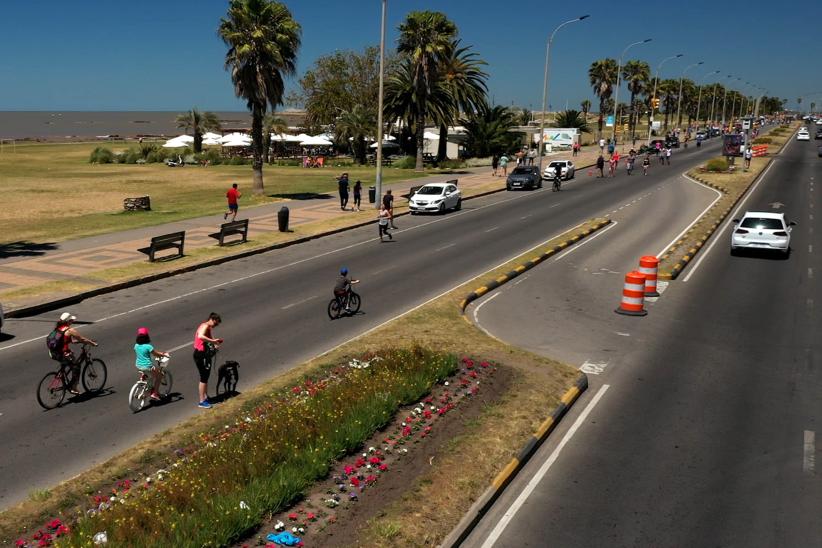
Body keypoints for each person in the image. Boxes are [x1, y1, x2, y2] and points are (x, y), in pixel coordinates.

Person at [53, 312, 98, 395]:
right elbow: (82, 339)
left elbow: (71, 341)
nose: (72, 322)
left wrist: (79, 342)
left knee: (69, 360)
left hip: (53, 353)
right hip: (63, 354)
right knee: (76, 366)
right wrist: (92, 343)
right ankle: (73, 387)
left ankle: (63, 375)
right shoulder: (70, 330)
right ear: (68, 321)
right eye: (71, 320)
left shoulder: (58, 328)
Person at [192, 313, 223, 409]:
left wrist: (215, 342)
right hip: (201, 354)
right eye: (216, 323)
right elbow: (201, 336)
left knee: (206, 376)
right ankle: (202, 401)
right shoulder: (205, 326)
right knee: (204, 377)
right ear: (212, 319)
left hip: (203, 354)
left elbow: (209, 337)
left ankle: (205, 397)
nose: (216, 325)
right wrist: (213, 342)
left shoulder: (208, 327)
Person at [134, 327, 169, 401]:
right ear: (147, 336)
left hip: (138, 365)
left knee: (148, 374)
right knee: (160, 375)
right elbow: (156, 354)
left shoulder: (136, 345)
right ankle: (154, 393)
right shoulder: (148, 347)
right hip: (147, 366)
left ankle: (144, 377)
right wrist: (163, 354)